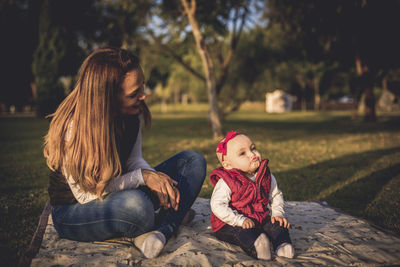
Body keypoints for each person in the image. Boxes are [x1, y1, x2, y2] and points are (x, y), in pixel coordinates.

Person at [44, 47, 206, 259]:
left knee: (193, 160)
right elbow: (86, 196)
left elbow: (133, 160)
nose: (143, 95)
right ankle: (165, 219)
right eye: (134, 93)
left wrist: (155, 180)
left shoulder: (131, 114)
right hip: (74, 211)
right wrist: (143, 178)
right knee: (137, 206)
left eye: (142, 87)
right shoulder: (74, 127)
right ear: (107, 97)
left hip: (117, 192)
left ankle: (160, 231)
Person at [209, 131, 294, 260]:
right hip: (229, 222)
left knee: (278, 226)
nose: (252, 154)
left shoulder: (265, 176)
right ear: (228, 165)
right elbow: (217, 205)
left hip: (260, 217)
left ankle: (283, 245)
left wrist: (277, 214)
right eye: (242, 153)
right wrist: (239, 220)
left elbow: (276, 195)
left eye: (253, 148)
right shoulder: (227, 181)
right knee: (243, 233)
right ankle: (258, 247)